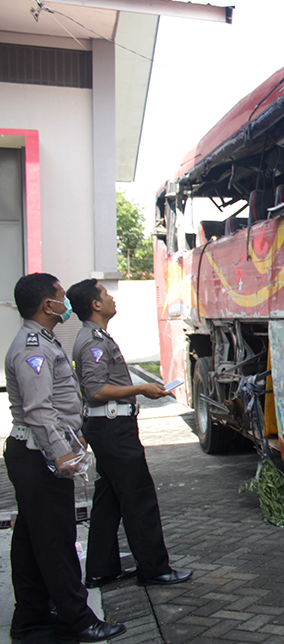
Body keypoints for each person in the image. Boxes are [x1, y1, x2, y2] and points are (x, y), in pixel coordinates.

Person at [4, 273, 127, 642]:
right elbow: (40, 411)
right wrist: (63, 456)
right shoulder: (33, 348)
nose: (66, 303)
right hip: (37, 456)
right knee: (57, 541)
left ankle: (31, 617)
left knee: (31, 538)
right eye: (61, 297)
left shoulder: (45, 341)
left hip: (34, 453)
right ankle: (78, 619)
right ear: (47, 306)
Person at [67, 279, 192, 589]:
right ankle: (154, 569)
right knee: (138, 498)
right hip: (114, 429)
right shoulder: (94, 341)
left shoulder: (95, 337)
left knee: (108, 500)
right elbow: (95, 390)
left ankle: (101, 568)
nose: (112, 298)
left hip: (108, 428)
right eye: (106, 294)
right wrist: (141, 388)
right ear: (95, 305)